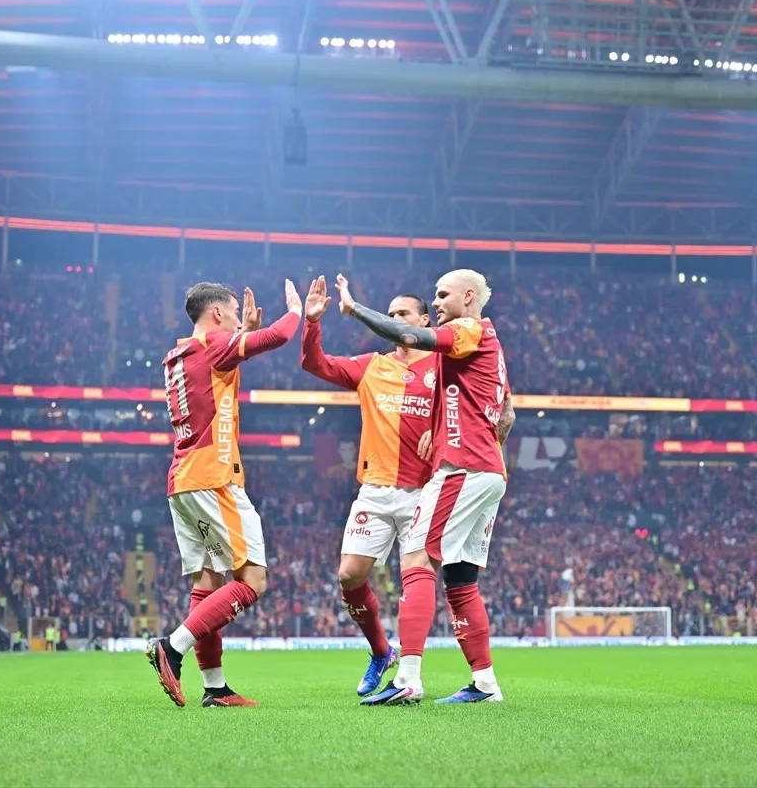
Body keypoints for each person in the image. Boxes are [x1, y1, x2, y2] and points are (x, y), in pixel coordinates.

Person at [335, 269, 515, 705]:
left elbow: (410, 337)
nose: (435, 303)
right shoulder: (489, 343)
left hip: (462, 469)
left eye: (442, 294)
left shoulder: (468, 329)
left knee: (417, 559)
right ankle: (485, 684)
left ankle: (408, 678)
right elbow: (507, 413)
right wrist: (452, 430)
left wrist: (355, 309)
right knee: (460, 578)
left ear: (468, 297)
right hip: (489, 470)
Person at [146, 279, 303, 708]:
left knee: (208, 583)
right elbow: (279, 336)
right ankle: (172, 647)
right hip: (213, 478)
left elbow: (215, 381)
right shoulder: (213, 344)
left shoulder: (179, 353)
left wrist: (242, 333)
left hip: (183, 480)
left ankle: (215, 688)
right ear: (216, 313)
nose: (238, 319)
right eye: (234, 313)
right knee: (253, 581)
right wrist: (295, 311)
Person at [300, 275, 435, 696]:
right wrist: (312, 323)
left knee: (416, 575)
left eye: (403, 313)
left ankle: (409, 674)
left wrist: (443, 433)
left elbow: (471, 410)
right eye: (390, 313)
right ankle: (381, 651)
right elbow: (316, 364)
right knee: (349, 576)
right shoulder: (372, 366)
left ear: (424, 321)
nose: (394, 319)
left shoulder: (443, 367)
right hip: (375, 489)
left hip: (424, 491)